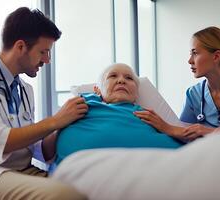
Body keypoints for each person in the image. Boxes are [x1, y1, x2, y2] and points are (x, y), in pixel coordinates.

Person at [0, 7, 88, 199]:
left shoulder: (25, 90)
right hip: (0, 172)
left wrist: (63, 125)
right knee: (65, 195)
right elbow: (3, 142)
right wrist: (55, 121)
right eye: (43, 52)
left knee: (90, 187)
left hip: (24, 170)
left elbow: (36, 148)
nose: (47, 60)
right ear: (20, 47)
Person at [55, 63, 183, 165]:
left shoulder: (149, 116)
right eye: (113, 76)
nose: (121, 81)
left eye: (129, 78)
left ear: (136, 93)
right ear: (97, 90)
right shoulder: (80, 105)